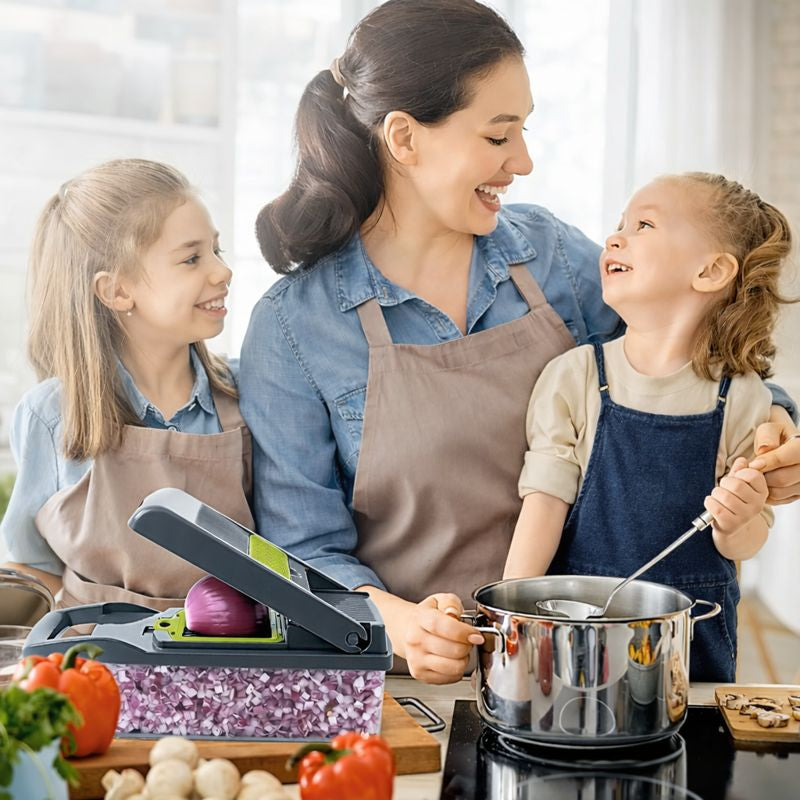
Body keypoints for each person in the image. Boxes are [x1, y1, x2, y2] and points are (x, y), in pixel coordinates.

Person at [240, 0, 800, 684]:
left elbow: (682, 361)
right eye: (499, 135)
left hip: (583, 675)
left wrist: (774, 421)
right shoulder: (294, 328)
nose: (524, 162)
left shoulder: (553, 258)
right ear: (405, 138)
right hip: (412, 687)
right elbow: (299, 555)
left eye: (523, 131)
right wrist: (404, 626)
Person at [503, 173, 794, 682]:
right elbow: (543, 508)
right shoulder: (575, 376)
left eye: (643, 225)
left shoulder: (744, 398)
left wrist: (737, 519)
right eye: (620, 224)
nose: (615, 237)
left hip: (693, 642)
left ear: (710, 271)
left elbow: (745, 544)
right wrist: (510, 620)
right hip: (579, 632)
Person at [1, 159, 252, 609]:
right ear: (117, 291)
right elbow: (33, 568)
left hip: (235, 649)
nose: (222, 272)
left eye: (217, 250)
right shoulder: (50, 415)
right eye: (192, 258)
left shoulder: (249, 392)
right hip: (92, 646)